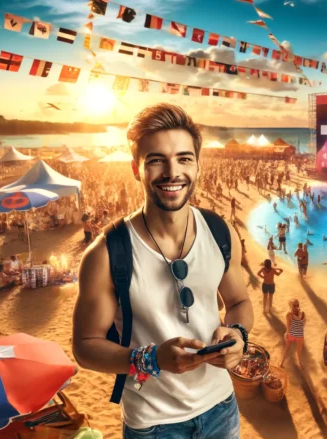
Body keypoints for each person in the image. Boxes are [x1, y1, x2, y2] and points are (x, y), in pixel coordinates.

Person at [73, 104, 253, 439]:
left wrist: (239, 334)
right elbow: (85, 346)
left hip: (221, 408)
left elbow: (239, 300)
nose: (172, 172)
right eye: (156, 160)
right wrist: (150, 359)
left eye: (184, 158)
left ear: (197, 165)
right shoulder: (106, 253)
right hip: (153, 424)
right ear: (135, 168)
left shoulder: (219, 232)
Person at [280, 298, 306, 368]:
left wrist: (289, 333)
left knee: (298, 350)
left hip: (297, 335)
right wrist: (288, 334)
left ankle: (300, 363)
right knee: (288, 348)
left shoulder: (301, 314)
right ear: (291, 306)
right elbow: (288, 326)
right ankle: (282, 363)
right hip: (294, 334)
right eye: (294, 305)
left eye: (297, 305)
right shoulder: (289, 314)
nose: (296, 307)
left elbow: (303, 324)